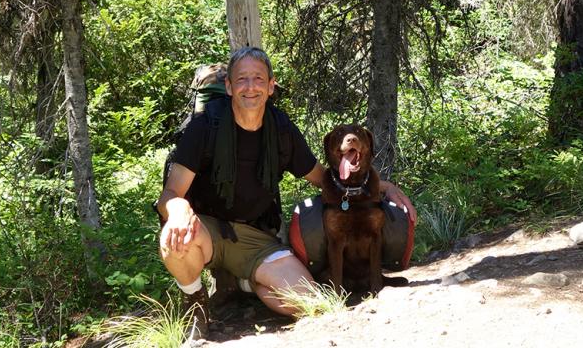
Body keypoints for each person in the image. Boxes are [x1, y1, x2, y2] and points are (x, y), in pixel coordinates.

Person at [156, 46, 416, 331]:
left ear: (271, 86)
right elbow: (170, 195)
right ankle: (194, 299)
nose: (250, 87)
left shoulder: (280, 130)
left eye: (258, 78)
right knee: (173, 238)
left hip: (256, 236)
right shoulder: (205, 127)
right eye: (242, 79)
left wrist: (382, 187)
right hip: (205, 229)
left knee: (313, 303)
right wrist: (178, 210)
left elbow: (323, 178)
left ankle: (243, 283)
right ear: (229, 86)